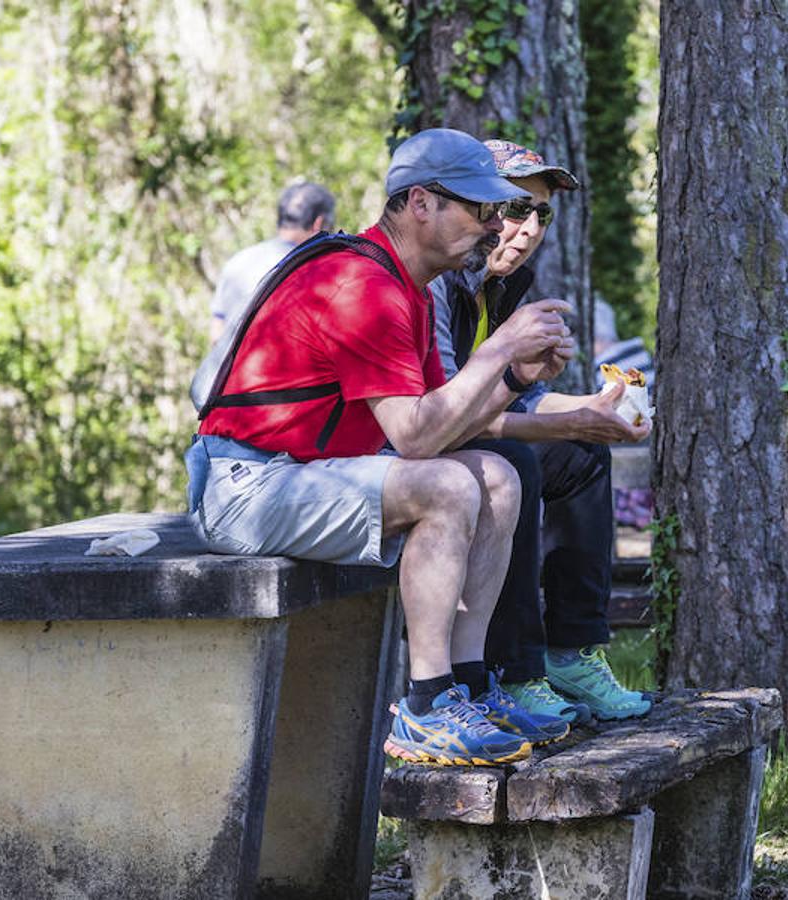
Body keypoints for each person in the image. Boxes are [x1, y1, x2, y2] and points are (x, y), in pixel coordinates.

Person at [186, 128, 577, 766]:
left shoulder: (408, 287)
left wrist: (514, 379)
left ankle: (469, 686)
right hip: (242, 485)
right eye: (480, 209)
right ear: (420, 203)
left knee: (498, 478)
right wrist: (502, 346)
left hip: (304, 473)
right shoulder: (361, 285)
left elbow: (443, 425)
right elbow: (417, 437)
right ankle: (424, 708)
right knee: (449, 487)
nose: (492, 226)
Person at [428, 139, 652, 723]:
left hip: (456, 437)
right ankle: (516, 671)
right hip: (407, 451)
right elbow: (445, 417)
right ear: (476, 207)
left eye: (541, 213)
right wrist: (561, 417)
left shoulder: (503, 288)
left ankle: (570, 652)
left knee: (579, 454)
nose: (527, 228)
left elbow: (517, 396)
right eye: (512, 208)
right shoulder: (438, 281)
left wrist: (596, 410)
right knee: (517, 463)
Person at [209, 182, 337, 342]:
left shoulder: (239, 260)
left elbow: (216, 333)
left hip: (222, 366)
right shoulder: (314, 271)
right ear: (319, 223)